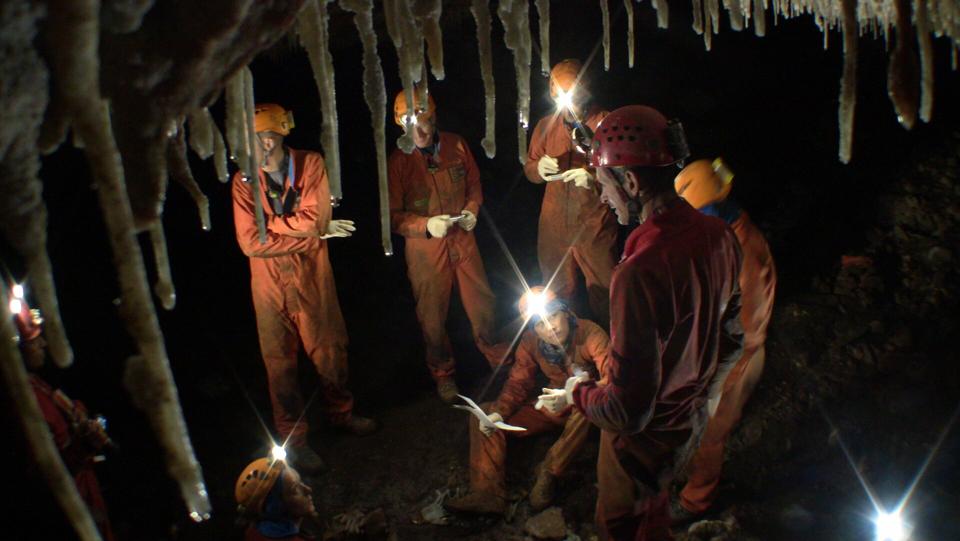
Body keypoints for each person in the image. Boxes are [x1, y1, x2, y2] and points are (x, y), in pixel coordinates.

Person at [536, 106, 744, 540]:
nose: (603, 197)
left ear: (630, 182)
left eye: (603, 184)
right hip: (688, 423)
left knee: (623, 526)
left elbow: (626, 412)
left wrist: (577, 392)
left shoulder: (638, 271)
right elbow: (732, 336)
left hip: (641, 441)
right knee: (655, 513)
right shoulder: (720, 236)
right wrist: (696, 399)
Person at [232, 103, 376, 475]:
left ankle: (341, 414)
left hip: (311, 277)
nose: (255, 147)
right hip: (270, 285)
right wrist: (312, 235)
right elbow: (250, 243)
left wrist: (275, 225)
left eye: (261, 138)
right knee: (279, 363)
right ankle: (294, 442)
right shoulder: (243, 182)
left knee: (330, 350)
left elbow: (316, 218)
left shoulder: (310, 164)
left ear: (276, 137)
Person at [672, 159, 777, 521]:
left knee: (712, 429)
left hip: (739, 354)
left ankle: (694, 502)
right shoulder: (723, 230)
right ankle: (679, 474)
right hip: (715, 342)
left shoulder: (746, 255)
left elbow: (747, 328)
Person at [445, 286, 609, 514]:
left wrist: (574, 395)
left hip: (590, 412)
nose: (550, 327)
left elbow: (614, 381)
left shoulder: (589, 333)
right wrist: (499, 412)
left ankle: (549, 471)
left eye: (553, 316)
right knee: (483, 412)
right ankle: (487, 493)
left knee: (585, 405)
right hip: (553, 406)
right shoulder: (531, 340)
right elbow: (518, 382)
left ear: (565, 311)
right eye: (540, 323)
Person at [388, 87, 506, 403]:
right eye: (411, 126)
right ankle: (443, 374)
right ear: (400, 125)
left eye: (424, 122)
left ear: (433, 117)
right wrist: (425, 225)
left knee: (482, 302)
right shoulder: (398, 162)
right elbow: (393, 216)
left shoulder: (456, 145)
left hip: (462, 237)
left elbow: (474, 184)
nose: (419, 132)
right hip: (425, 248)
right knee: (432, 314)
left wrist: (472, 209)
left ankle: (498, 358)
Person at [10, 284, 116, 541]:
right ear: (17, 349)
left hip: (85, 501)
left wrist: (79, 417)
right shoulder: (20, 403)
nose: (44, 344)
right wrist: (84, 446)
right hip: (67, 518)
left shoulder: (37, 384)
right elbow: (41, 476)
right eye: (34, 341)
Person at [524, 59, 617, 328]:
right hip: (554, 225)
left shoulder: (605, 122)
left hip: (594, 223)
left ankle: (615, 344)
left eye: (572, 97)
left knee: (606, 293)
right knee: (558, 297)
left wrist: (593, 178)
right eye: (560, 98)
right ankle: (568, 346)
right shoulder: (546, 126)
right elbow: (530, 168)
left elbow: (623, 174)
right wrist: (538, 169)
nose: (567, 105)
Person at [235, 457, 317, 541]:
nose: (308, 489)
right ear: (275, 508)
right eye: (295, 489)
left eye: (300, 481)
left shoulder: (253, 532)